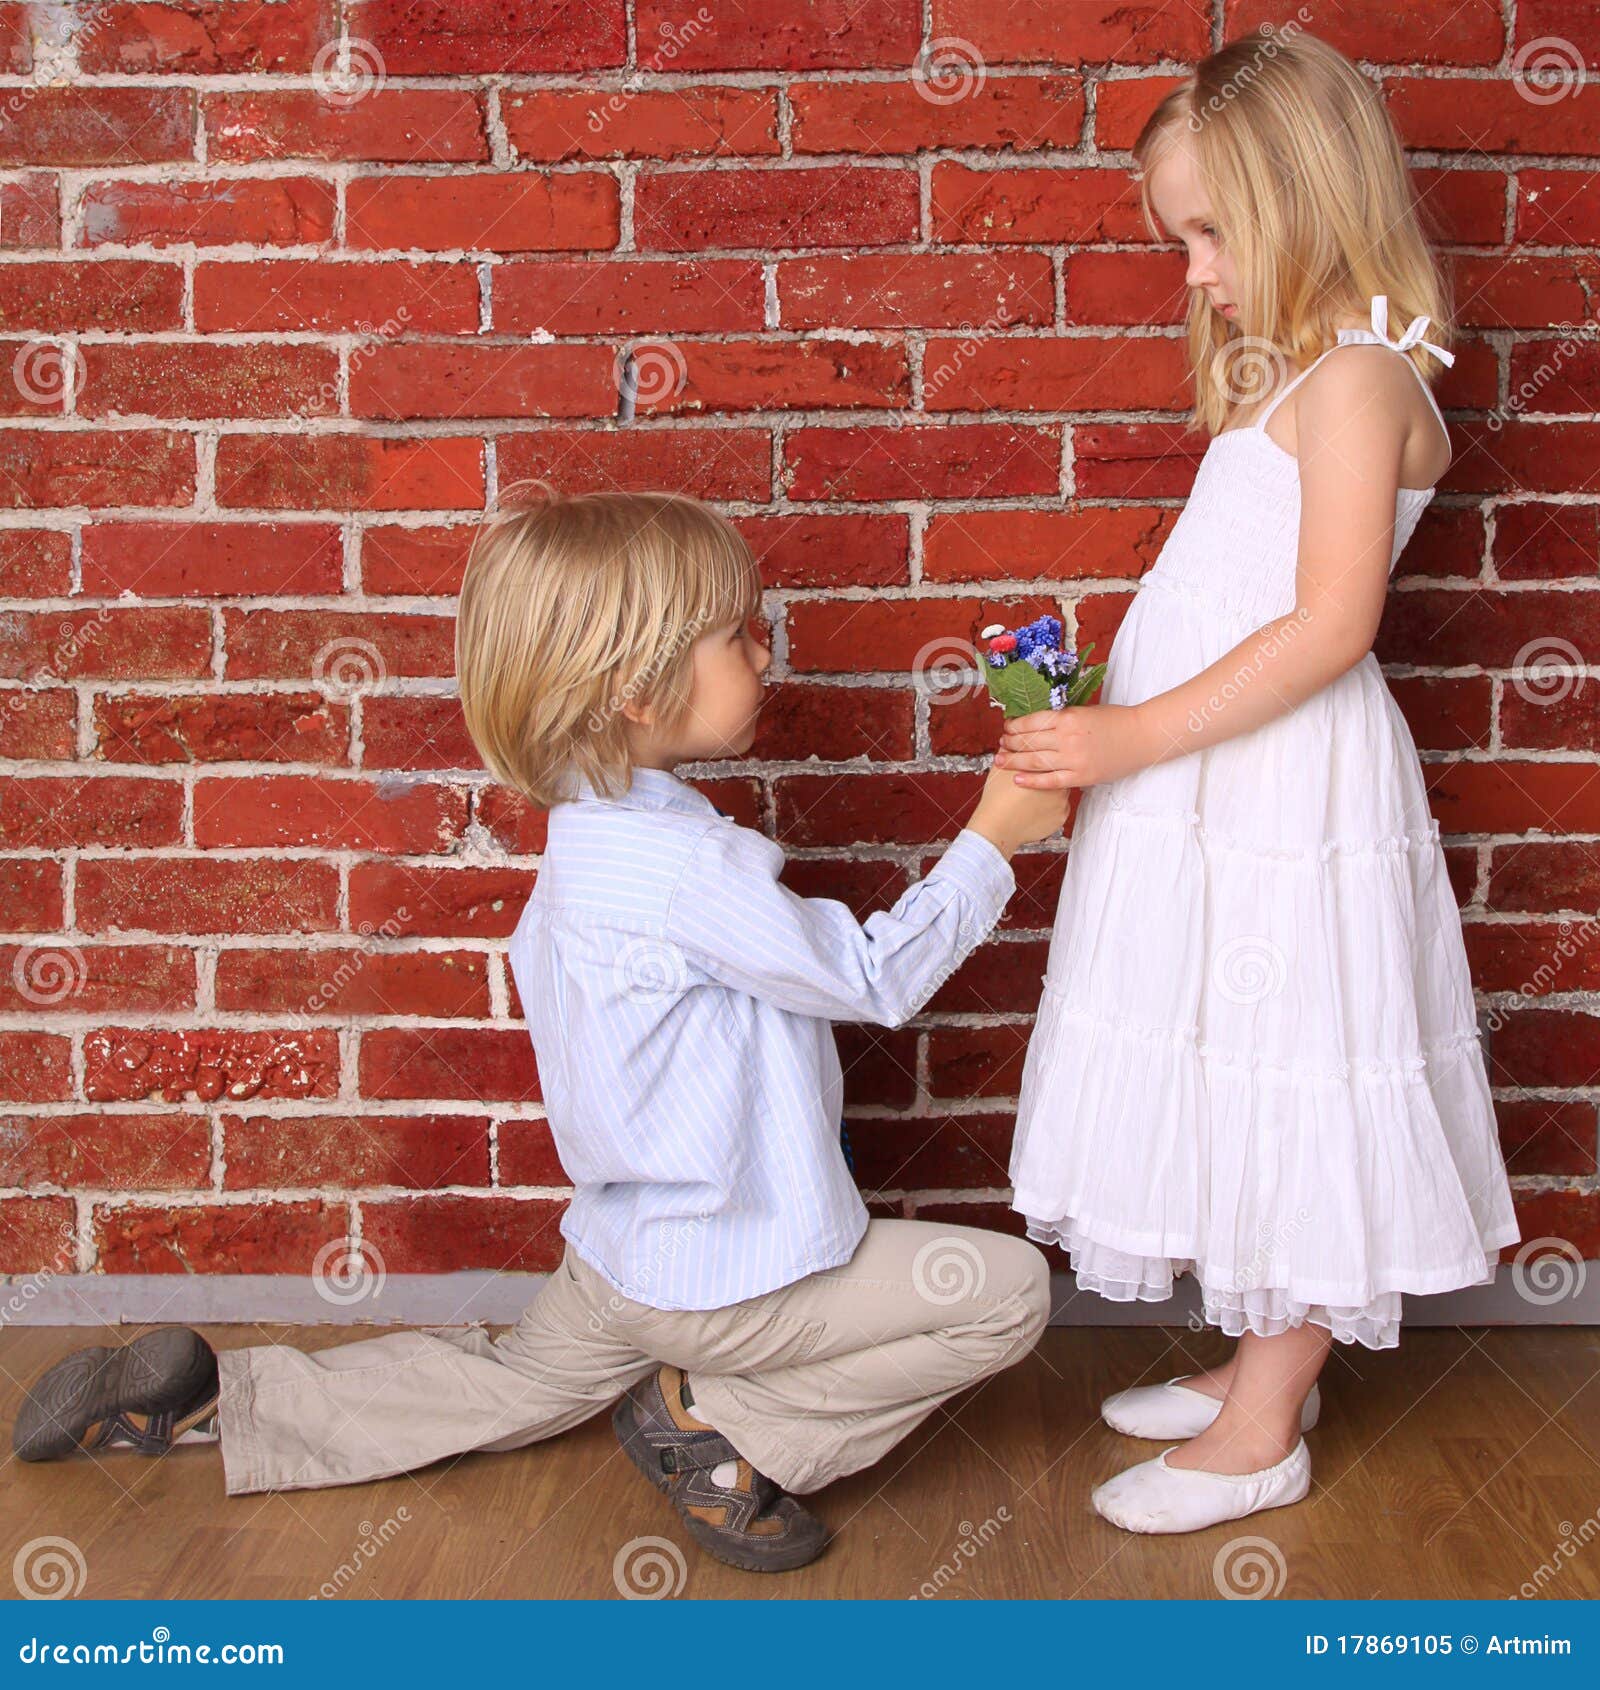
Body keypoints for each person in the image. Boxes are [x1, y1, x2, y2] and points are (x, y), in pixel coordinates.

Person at [14, 485, 1063, 1576]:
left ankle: (209, 1405)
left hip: (622, 1253)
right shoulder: (689, 865)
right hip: (724, 1279)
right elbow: (874, 976)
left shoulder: (585, 843)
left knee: (514, 1380)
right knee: (1005, 1296)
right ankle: (719, 1431)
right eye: (738, 632)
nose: (766, 652)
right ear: (634, 687)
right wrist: (995, 835)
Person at [993, 29, 1519, 1534]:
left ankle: (1268, 1424)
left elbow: (1328, 624)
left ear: (1305, 195)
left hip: (1282, 793)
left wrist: (1129, 739)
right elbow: (1233, 589)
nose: (1200, 271)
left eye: (1215, 231)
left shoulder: (1358, 378)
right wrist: (1115, 697)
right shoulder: (1302, 366)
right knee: (1233, 1049)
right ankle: (1250, 1363)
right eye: (1186, 238)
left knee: (1299, 1058)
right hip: (1214, 783)